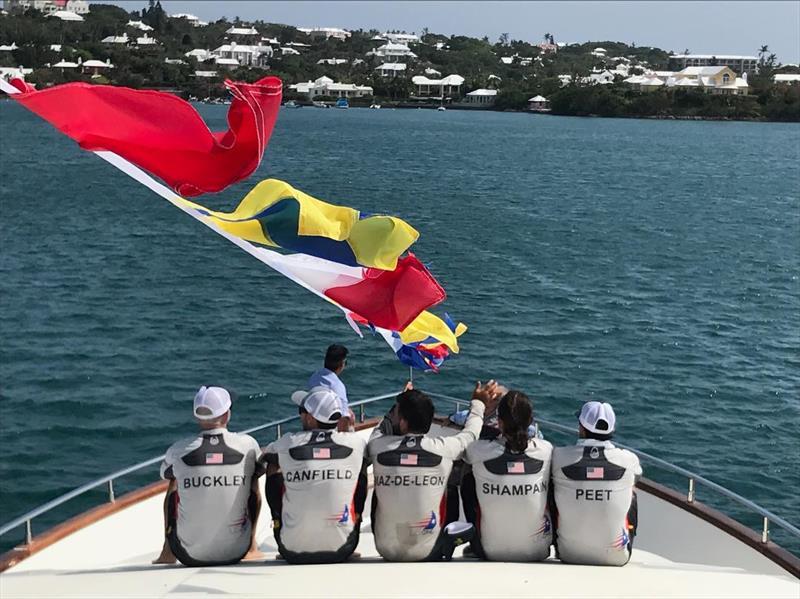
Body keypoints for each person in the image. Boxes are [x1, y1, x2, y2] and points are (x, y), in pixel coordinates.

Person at [367, 381, 502, 562]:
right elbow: (471, 434)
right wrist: (478, 403)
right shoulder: (443, 449)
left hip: (386, 550)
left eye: (396, 412)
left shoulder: (377, 445)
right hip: (430, 552)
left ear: (404, 423)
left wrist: (405, 401)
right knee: (451, 484)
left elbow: (383, 427)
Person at [153, 386, 264, 566]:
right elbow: (262, 467)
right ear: (227, 415)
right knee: (251, 476)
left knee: (175, 481)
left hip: (188, 554)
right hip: (236, 551)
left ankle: (167, 552)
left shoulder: (179, 449)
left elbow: (165, 474)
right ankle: (252, 547)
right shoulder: (248, 444)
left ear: (197, 416)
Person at [262, 386, 367, 563]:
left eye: (301, 412)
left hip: (291, 551)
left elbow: (264, 457)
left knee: (274, 466)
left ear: (310, 419)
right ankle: (354, 521)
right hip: (343, 549)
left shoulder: (288, 443)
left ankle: (279, 522)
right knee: (361, 467)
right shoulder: (355, 443)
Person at [461, 390, 554, 561]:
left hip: (490, 551)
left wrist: (480, 407)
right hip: (538, 551)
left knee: (467, 477)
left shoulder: (478, 451)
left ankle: (471, 538)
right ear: (531, 422)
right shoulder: (546, 450)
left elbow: (464, 442)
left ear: (499, 423)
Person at [551, 401, 642, 566]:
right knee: (631, 493)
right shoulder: (629, 460)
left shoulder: (559, 457)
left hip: (569, 554)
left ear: (582, 428)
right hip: (616, 558)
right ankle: (621, 543)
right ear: (612, 429)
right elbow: (637, 476)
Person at [307, 344, 352, 431]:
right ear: (342, 364)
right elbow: (343, 418)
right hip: (330, 429)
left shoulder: (314, 377)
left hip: (313, 424)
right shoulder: (337, 386)